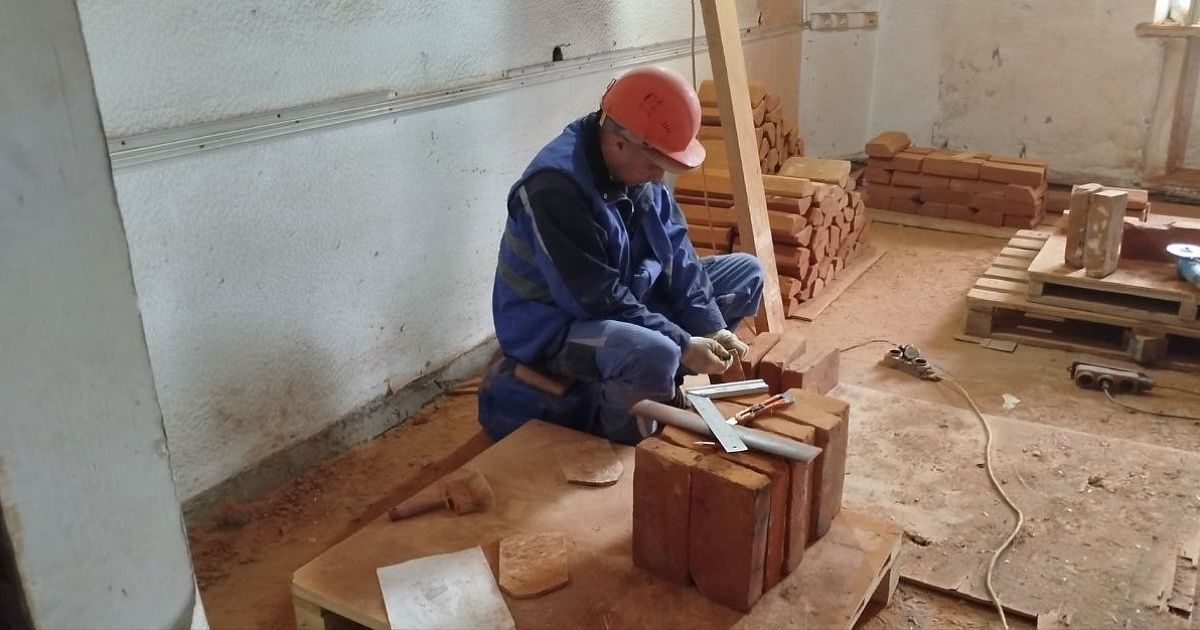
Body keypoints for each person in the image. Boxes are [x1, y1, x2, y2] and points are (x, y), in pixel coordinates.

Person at [480, 65, 764, 444]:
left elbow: (677, 252)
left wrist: (711, 326)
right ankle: (624, 436)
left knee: (747, 272)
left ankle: (655, 384)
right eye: (655, 165)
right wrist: (682, 343)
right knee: (656, 352)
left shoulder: (635, 163)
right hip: (553, 326)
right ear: (618, 144)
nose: (659, 178)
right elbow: (596, 299)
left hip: (622, 297)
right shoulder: (555, 189)